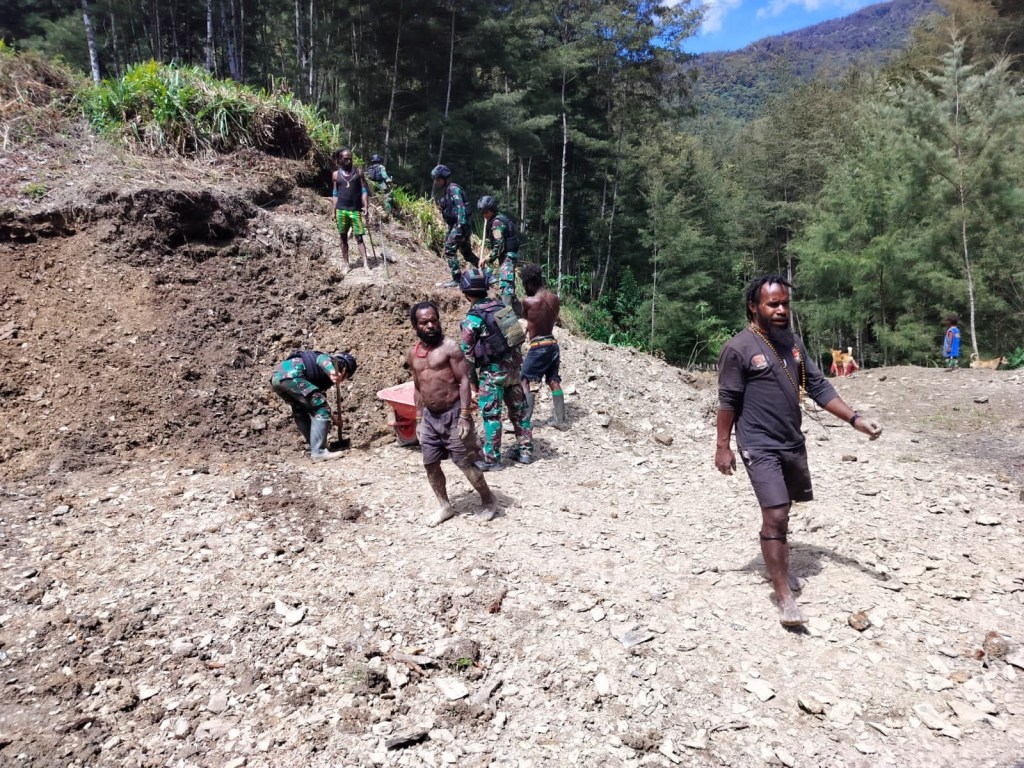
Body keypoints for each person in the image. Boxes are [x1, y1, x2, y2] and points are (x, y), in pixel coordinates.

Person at [715, 276, 882, 627]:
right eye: (772, 304)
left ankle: (776, 565)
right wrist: (722, 446)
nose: (780, 310)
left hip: (791, 441)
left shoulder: (792, 343)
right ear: (753, 307)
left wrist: (855, 419)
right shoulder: (739, 348)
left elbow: (817, 386)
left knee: (784, 509)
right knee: (775, 513)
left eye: (785, 304)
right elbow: (728, 401)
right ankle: (783, 595)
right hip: (758, 443)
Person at [408, 301, 498, 526]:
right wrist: (418, 420)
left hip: (453, 414)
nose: (430, 325)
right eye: (424, 322)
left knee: (465, 462)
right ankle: (445, 506)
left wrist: (465, 416)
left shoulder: (450, 347)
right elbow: (418, 387)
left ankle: (488, 500)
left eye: (433, 320)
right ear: (415, 326)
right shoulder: (413, 354)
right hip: (430, 418)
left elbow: (464, 381)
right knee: (430, 464)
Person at [458, 268, 533, 470]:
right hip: (514, 371)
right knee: (519, 411)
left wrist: (472, 382)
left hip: (492, 374)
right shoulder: (502, 307)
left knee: (492, 415)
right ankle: (526, 451)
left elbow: (466, 355)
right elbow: (517, 339)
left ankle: (492, 459)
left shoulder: (472, 319)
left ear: (466, 294)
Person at [271, 350, 358, 462]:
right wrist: (332, 371)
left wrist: (334, 419)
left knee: (300, 410)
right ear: (345, 370)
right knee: (322, 409)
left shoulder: (320, 377)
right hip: (293, 375)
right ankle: (319, 451)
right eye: (346, 377)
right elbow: (321, 359)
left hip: (277, 377)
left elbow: (316, 401)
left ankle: (315, 446)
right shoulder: (336, 363)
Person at [519, 263, 567, 430]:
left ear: (528, 282)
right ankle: (560, 420)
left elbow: (528, 319)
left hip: (538, 346)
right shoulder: (555, 299)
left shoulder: (528, 302)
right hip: (553, 345)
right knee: (553, 380)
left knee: (524, 379)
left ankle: (524, 422)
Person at [431, 164, 478, 287]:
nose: (436, 182)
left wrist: (460, 225)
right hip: (459, 225)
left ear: (444, 178)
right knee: (467, 254)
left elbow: (460, 207)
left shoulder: (453, 189)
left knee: (449, 249)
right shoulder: (448, 191)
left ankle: (457, 279)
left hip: (460, 225)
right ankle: (489, 273)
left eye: (438, 179)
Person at [477, 195, 521, 308]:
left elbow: (499, 246)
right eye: (482, 212)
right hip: (509, 255)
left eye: (486, 212)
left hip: (507, 256)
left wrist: (487, 258)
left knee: (506, 283)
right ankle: (516, 310)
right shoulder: (499, 219)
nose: (484, 215)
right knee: (509, 283)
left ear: (492, 209)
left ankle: (507, 313)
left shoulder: (497, 223)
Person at [332, 148, 370, 272]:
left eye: (350, 158)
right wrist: (333, 210)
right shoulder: (336, 175)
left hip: (355, 210)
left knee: (359, 237)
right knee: (343, 237)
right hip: (341, 210)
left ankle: (365, 264)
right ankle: (346, 265)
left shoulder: (358, 172)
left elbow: (364, 190)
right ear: (340, 160)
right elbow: (335, 193)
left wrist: (366, 206)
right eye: (346, 159)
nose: (349, 161)